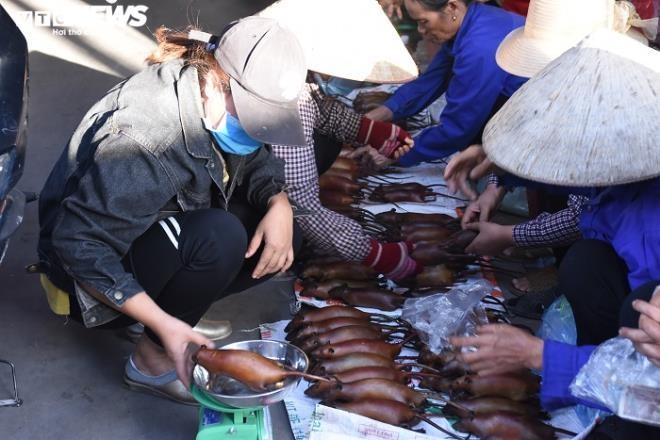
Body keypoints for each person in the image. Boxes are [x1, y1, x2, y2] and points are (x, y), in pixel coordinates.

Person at [37, 17, 307, 404]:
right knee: (220, 236)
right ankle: (150, 358)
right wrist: (164, 323)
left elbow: (254, 157)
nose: (256, 132)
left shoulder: (208, 98)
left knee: (283, 236)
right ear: (216, 82)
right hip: (83, 283)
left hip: (147, 238)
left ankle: (168, 314)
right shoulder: (144, 137)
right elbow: (76, 245)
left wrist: (278, 202)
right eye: (252, 119)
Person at [451, 29, 660, 438]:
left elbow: (648, 377)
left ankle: (603, 393)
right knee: (589, 262)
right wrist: (502, 165)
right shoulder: (627, 174)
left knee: (634, 307)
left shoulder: (647, 227)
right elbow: (582, 191)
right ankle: (595, 375)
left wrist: (539, 355)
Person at [259, 0, 422, 279]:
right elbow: (302, 205)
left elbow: (316, 103)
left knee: (328, 140)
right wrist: (377, 255)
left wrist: (372, 132)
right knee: (292, 230)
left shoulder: (273, 49)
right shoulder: (285, 95)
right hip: (229, 184)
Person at [363, 0, 527, 166]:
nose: (420, 30)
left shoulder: (479, 48)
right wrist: (379, 115)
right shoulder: (473, 20)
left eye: (423, 21)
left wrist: (399, 153)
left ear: (452, 7)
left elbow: (458, 128)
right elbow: (431, 80)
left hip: (525, 138)